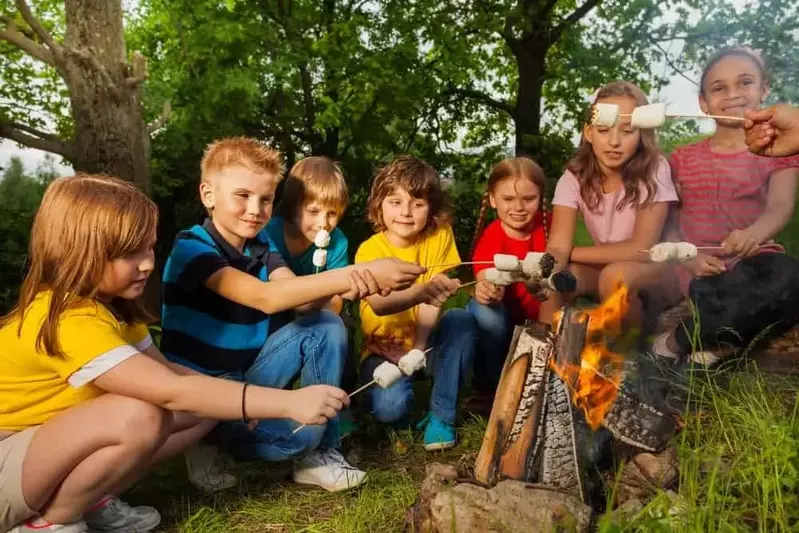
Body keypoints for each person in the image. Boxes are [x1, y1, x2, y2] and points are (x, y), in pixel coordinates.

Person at [0, 174, 354, 533]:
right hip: (6, 452)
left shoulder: (111, 308)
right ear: (78, 252)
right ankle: (48, 522)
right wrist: (286, 403)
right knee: (140, 414)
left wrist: (240, 401)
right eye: (129, 253)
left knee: (205, 409)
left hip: (35, 445)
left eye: (149, 247)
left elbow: (171, 374)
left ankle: (90, 498)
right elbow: (170, 390)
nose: (148, 264)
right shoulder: (66, 320)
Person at [160, 138, 425, 492]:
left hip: (247, 377)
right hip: (202, 393)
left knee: (328, 325)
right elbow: (267, 297)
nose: (255, 209)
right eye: (243, 196)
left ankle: (320, 456)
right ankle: (209, 438)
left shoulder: (260, 246)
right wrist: (353, 273)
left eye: (265, 199)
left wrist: (353, 284)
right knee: (301, 434)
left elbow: (300, 302)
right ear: (208, 194)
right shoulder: (192, 247)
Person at [652, 47, 799, 364]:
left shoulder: (780, 149)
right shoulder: (683, 159)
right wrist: (689, 258)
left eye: (745, 83)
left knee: (791, 279)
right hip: (705, 270)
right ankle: (720, 345)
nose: (733, 95)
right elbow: (669, 224)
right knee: (715, 295)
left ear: (764, 89)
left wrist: (754, 234)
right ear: (704, 103)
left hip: (759, 263)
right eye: (719, 88)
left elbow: (780, 206)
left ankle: (678, 342)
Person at [355, 155, 478, 451]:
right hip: (382, 349)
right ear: (379, 206)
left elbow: (432, 302)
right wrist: (423, 291)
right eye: (395, 202)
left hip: (427, 344)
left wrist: (417, 350)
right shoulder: (369, 250)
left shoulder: (439, 236)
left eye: (417, 204)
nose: (406, 213)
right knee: (390, 406)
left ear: (431, 208)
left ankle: (441, 415)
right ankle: (399, 415)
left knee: (461, 320)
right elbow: (381, 305)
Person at [540, 81, 680, 331]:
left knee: (614, 276)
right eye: (604, 130)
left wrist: (570, 252)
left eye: (627, 131)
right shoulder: (574, 177)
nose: (614, 141)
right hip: (604, 270)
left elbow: (642, 249)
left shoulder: (654, 169)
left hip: (657, 272)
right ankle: (541, 354)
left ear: (642, 133)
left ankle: (628, 360)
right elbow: (557, 246)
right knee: (556, 281)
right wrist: (545, 273)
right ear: (588, 132)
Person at [263, 156, 361, 437]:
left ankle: (339, 406)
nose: (323, 223)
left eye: (332, 214)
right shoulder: (270, 233)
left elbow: (335, 303)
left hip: (319, 314)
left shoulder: (337, 242)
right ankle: (270, 407)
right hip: (274, 312)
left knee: (341, 328)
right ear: (294, 206)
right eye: (314, 211)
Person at [464, 157, 549, 413]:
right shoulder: (492, 238)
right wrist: (487, 289)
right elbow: (484, 277)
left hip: (546, 321)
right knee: (483, 312)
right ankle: (488, 387)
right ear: (492, 199)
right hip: (504, 330)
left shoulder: (552, 228)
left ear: (541, 198)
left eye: (528, 199)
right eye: (508, 199)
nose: (519, 208)